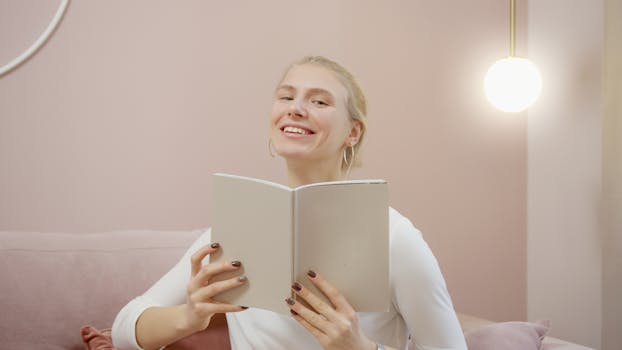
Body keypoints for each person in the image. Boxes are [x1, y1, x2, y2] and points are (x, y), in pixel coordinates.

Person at [112, 56, 467, 350]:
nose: (296, 109)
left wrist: (360, 347)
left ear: (352, 132)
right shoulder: (237, 227)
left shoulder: (393, 236)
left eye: (319, 101)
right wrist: (188, 317)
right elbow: (125, 326)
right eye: (286, 97)